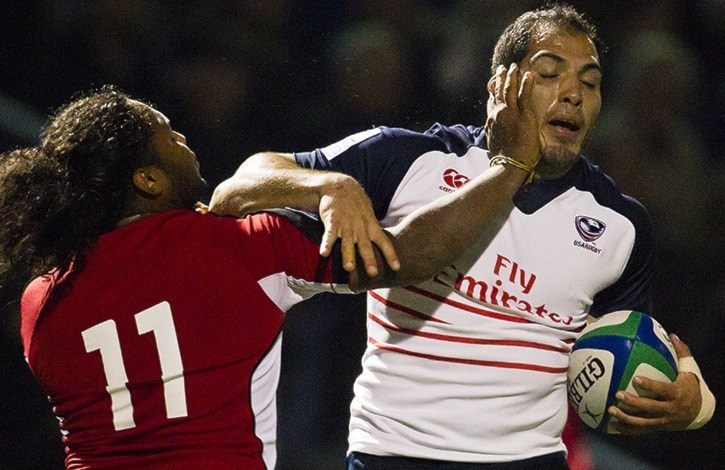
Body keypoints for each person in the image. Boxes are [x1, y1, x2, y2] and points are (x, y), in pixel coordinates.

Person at [209, 3, 716, 468]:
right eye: (549, 72)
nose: (573, 93)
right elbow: (244, 181)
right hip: (393, 454)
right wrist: (328, 185)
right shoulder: (414, 159)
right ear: (500, 86)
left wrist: (694, 404)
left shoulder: (621, 226)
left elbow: (631, 357)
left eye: (591, 81)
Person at [0, 76, 540, 470]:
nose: (183, 138)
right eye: (168, 134)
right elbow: (408, 258)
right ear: (147, 179)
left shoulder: (38, 307)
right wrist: (510, 165)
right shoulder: (242, 247)